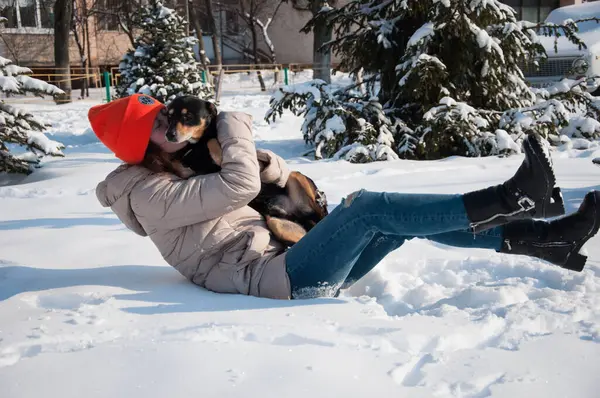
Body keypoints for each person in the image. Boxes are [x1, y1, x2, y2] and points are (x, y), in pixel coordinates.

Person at [90, 94, 600, 300]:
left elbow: (269, 178)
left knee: (390, 219)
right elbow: (237, 188)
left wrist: (259, 160)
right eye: (154, 125)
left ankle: (545, 239)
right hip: (276, 281)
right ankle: (511, 197)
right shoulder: (148, 196)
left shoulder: (179, 168)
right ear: (139, 148)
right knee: (369, 208)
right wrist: (235, 126)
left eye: (162, 115)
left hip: (289, 259)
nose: (168, 124)